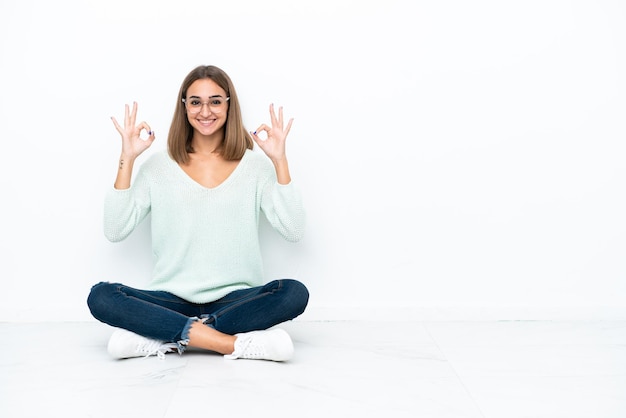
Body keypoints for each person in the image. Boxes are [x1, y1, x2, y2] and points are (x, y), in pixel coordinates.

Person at [87, 65, 309, 362]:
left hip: (235, 301)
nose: (205, 111)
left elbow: (293, 230)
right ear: (185, 107)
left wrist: (280, 160)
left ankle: (165, 335)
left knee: (294, 293)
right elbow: (115, 230)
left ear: (229, 105)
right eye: (196, 102)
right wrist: (127, 157)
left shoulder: (255, 166)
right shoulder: (157, 167)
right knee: (101, 296)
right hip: (171, 299)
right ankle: (229, 344)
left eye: (215, 101)